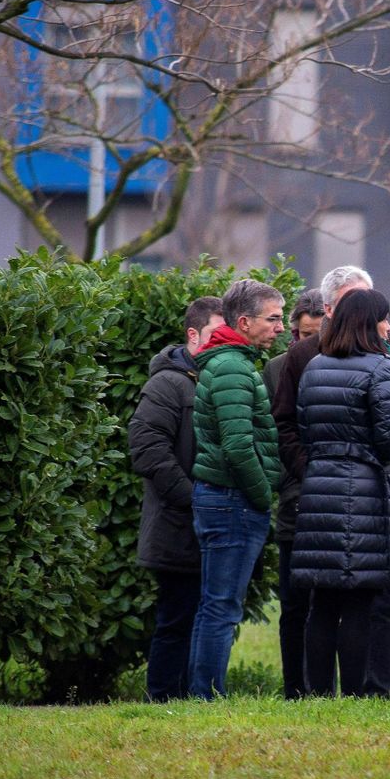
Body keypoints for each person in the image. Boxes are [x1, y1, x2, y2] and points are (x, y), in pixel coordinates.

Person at [265, 265, 390, 698]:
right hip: (363, 491)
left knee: (321, 602)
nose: (388, 327)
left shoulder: (315, 366)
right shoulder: (380, 368)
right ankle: (358, 693)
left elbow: (300, 426)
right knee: (360, 599)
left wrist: (316, 467)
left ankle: (318, 692)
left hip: (319, 487)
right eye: (382, 319)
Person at [187, 279, 285, 698]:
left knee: (214, 604)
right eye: (273, 319)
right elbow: (238, 446)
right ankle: (206, 695)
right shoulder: (232, 367)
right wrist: (262, 496)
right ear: (244, 323)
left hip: (226, 499)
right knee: (222, 606)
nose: (281, 327)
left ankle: (201, 693)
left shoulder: (233, 362)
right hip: (233, 501)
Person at [128, 296, 225, 701]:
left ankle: (192, 697)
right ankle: (164, 698)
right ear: (193, 335)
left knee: (201, 617)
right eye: (215, 334)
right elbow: (147, 451)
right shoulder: (167, 384)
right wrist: (195, 499)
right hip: (177, 526)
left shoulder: (218, 379)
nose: (222, 342)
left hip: (207, 525)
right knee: (177, 618)